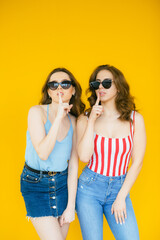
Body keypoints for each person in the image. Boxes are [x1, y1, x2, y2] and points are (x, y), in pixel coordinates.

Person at [76, 64, 146, 240]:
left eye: (107, 82)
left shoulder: (135, 119)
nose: (101, 87)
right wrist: (92, 120)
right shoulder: (85, 118)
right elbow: (84, 157)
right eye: (96, 83)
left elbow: (137, 161)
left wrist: (121, 197)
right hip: (89, 189)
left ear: (118, 86)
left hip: (119, 188)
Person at [20, 67, 85, 240]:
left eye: (65, 84)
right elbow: (43, 152)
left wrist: (71, 206)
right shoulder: (36, 112)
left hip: (63, 184)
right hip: (36, 184)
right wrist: (57, 119)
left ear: (73, 90)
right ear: (48, 92)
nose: (59, 89)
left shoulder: (74, 121)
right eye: (53, 85)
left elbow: (73, 165)